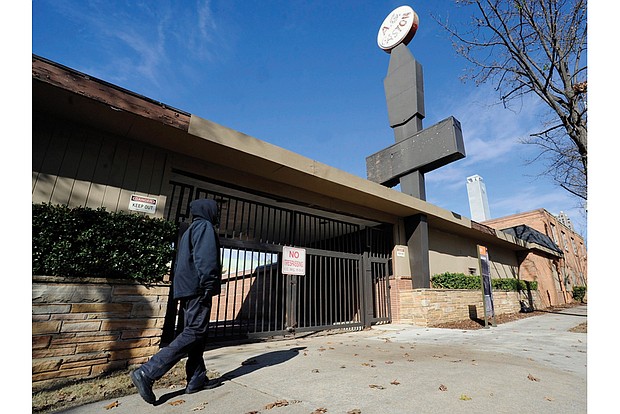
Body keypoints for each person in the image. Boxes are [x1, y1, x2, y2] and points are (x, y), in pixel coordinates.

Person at [131, 198, 222, 404]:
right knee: (195, 331)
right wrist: (209, 284)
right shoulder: (205, 226)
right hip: (198, 288)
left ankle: (196, 379)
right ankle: (147, 372)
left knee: (197, 332)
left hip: (186, 288)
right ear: (208, 210)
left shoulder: (190, 229)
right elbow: (205, 259)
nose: (217, 214)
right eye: (216, 210)